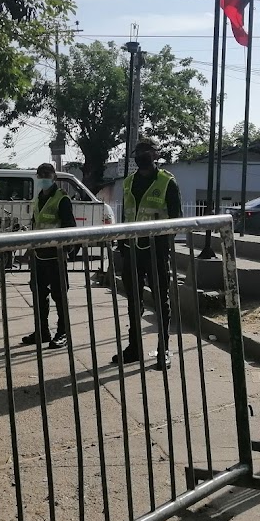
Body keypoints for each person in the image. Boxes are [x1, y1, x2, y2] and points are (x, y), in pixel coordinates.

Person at [114, 139, 182, 370]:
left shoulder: (167, 182)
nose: (141, 155)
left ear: (155, 154)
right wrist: (122, 244)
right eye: (138, 151)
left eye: (146, 151)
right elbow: (126, 215)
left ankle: (164, 349)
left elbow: (176, 220)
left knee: (161, 300)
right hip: (132, 250)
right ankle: (134, 348)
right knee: (134, 301)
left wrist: (164, 248)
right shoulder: (128, 182)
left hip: (156, 251)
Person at [22, 163, 77, 349]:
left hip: (56, 255)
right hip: (38, 254)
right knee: (38, 294)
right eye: (41, 174)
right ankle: (42, 331)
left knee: (59, 296)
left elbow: (70, 227)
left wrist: (66, 251)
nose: (43, 177)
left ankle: (63, 333)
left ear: (54, 177)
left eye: (47, 174)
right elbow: (35, 225)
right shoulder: (37, 199)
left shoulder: (62, 199)